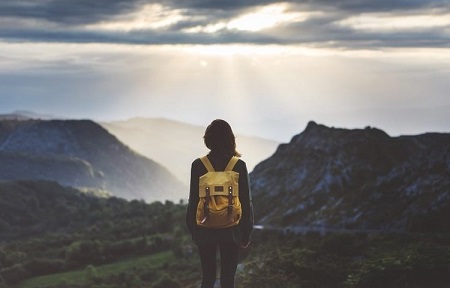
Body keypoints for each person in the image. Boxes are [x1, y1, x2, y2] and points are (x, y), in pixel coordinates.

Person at [186, 119, 254, 288]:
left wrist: (193, 230)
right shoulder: (238, 165)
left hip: (204, 227)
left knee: (208, 278)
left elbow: (193, 200)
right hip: (231, 229)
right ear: (230, 138)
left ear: (208, 139)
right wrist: (246, 233)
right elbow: (246, 201)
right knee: (227, 280)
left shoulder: (198, 165)